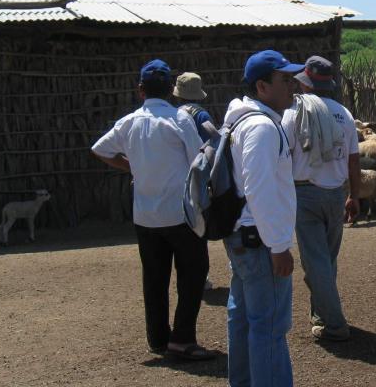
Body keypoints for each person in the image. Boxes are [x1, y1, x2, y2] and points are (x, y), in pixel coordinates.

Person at [91, 59, 213, 360]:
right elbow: (200, 161)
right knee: (193, 273)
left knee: (155, 278)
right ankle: (182, 339)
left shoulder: (129, 122)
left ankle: (158, 339)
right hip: (180, 213)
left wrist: (132, 166)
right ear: (171, 91)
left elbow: (100, 149)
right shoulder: (179, 120)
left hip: (145, 216)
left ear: (140, 90)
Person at [223, 50, 303, 387]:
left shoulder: (241, 119)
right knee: (269, 326)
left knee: (243, 319)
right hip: (258, 240)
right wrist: (278, 245)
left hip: (244, 237)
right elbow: (259, 190)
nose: (293, 86)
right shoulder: (261, 127)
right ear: (262, 86)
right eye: (284, 80)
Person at [281, 55, 360, 341]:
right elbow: (353, 162)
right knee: (327, 260)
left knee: (316, 263)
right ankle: (320, 315)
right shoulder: (345, 115)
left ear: (305, 83)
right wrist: (355, 196)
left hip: (305, 193)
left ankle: (336, 326)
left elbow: (283, 156)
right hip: (336, 194)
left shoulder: (292, 114)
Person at [172, 71, 216, 291]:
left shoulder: (171, 115)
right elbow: (212, 143)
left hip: (175, 178)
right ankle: (200, 278)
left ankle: (185, 276)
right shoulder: (201, 115)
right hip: (196, 178)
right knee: (198, 227)